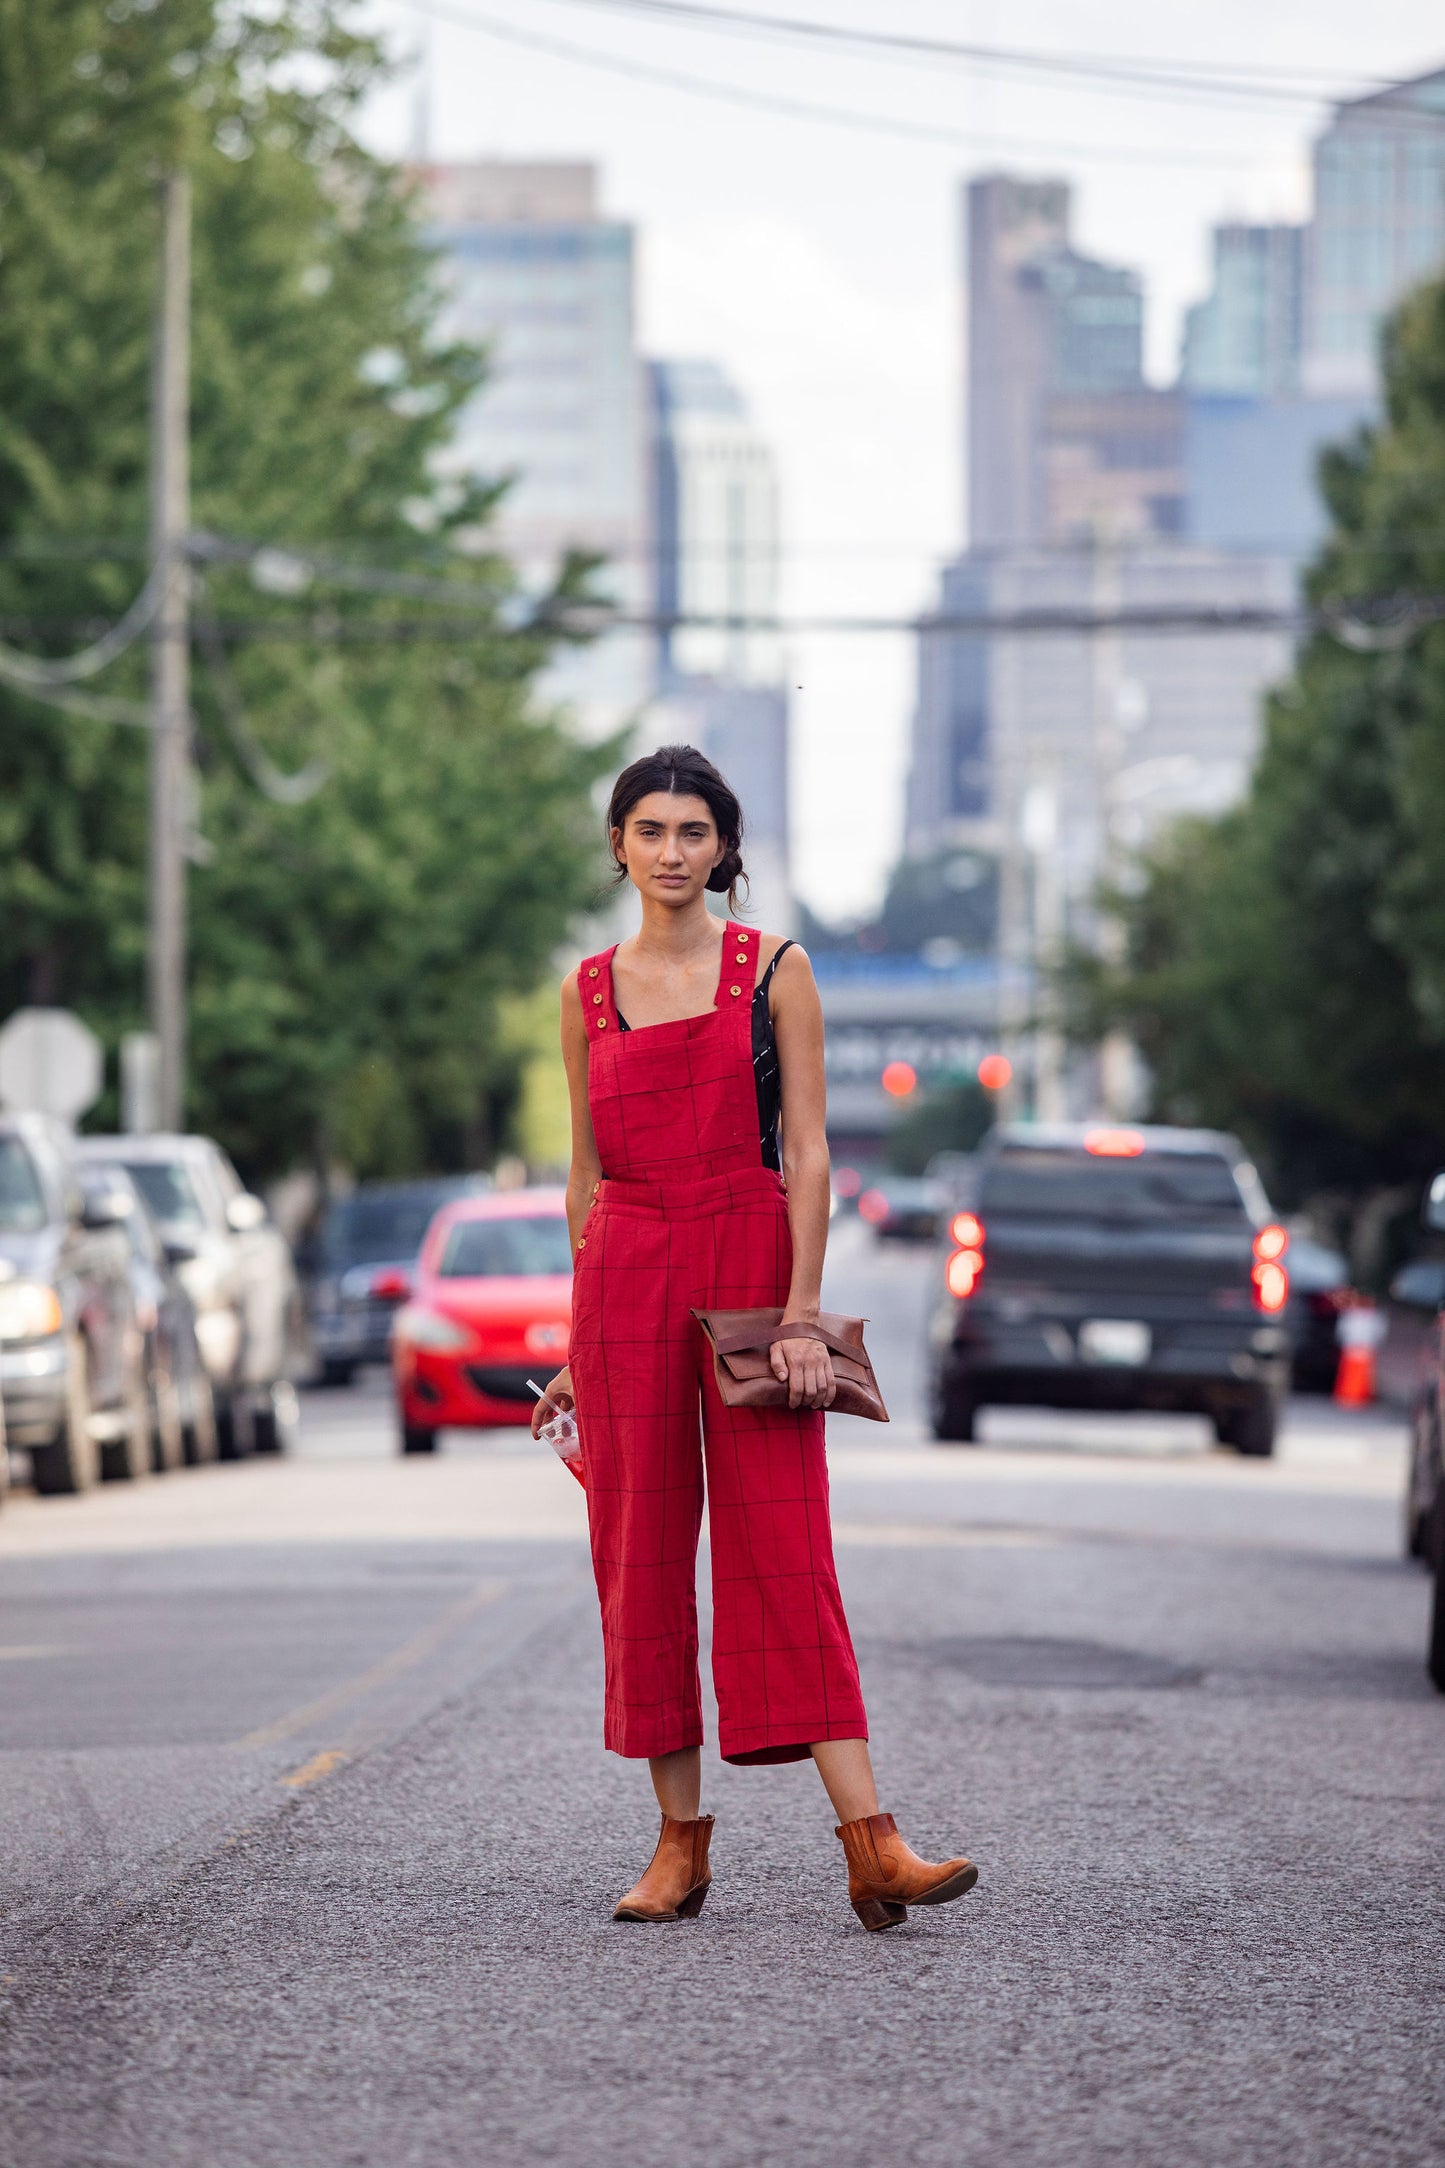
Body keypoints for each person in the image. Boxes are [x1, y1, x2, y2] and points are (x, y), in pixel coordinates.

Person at [534, 744, 978, 1932]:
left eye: (694, 831)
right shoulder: (585, 992)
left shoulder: (772, 968)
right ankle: (677, 1846)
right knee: (636, 1557)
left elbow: (812, 1151)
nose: (671, 851)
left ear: (724, 847)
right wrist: (580, 1340)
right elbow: (582, 1179)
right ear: (617, 844)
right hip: (625, 1267)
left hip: (743, 1248)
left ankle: (871, 1840)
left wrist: (797, 1312)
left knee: (783, 1546)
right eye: (649, 829)